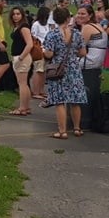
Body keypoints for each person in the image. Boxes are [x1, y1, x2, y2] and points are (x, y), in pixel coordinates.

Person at [43, 7, 87, 139]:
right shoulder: (77, 33)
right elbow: (83, 52)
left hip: (58, 69)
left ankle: (62, 131)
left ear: (55, 19)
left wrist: (47, 53)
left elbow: (49, 53)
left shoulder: (52, 34)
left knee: (60, 101)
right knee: (75, 100)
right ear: (68, 18)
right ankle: (77, 128)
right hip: (74, 68)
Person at [74, 4, 107, 130]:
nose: (80, 16)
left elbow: (79, 48)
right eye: (78, 13)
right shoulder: (97, 26)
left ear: (90, 15)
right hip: (97, 62)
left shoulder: (87, 27)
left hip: (88, 62)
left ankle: (78, 118)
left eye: (83, 14)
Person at [8, 6, 33, 115]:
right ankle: (26, 107)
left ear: (22, 15)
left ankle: (22, 107)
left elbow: (30, 44)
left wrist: (21, 58)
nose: (15, 16)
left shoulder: (24, 27)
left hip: (22, 57)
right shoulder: (17, 27)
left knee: (22, 84)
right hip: (18, 56)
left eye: (18, 14)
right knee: (24, 83)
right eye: (13, 14)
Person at [30, 6, 51, 100]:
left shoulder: (48, 25)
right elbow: (33, 37)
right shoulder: (36, 24)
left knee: (43, 72)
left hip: (47, 50)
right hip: (39, 50)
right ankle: (35, 91)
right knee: (38, 71)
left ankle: (41, 91)